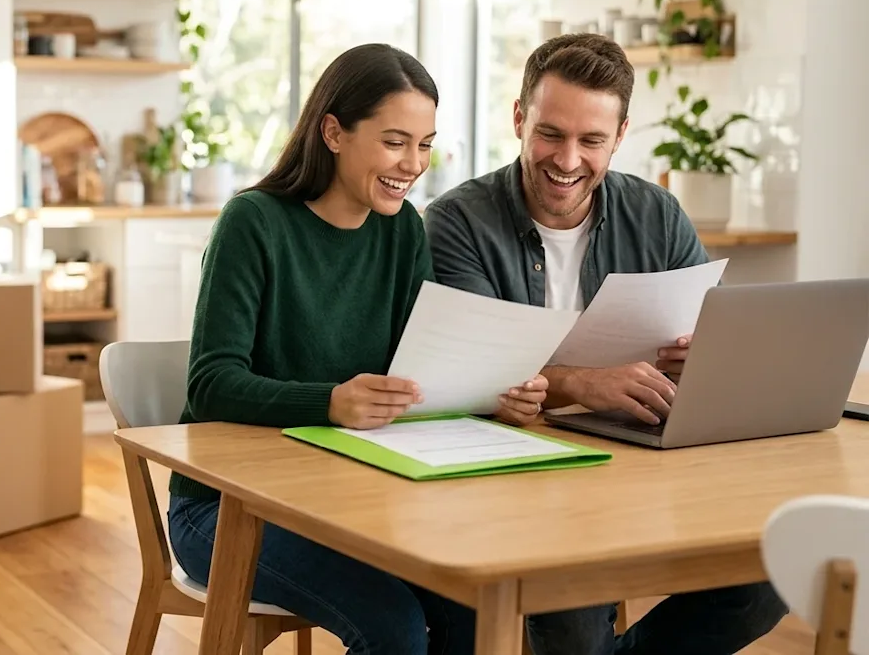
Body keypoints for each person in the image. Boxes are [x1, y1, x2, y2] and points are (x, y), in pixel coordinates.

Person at [167, 42, 548, 655]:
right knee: (392, 626)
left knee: (475, 605)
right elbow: (210, 384)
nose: (413, 164)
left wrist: (493, 395)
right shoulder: (253, 222)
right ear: (333, 133)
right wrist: (330, 402)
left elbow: (418, 373)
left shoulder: (403, 231)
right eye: (395, 142)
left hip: (353, 497)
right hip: (226, 509)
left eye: (424, 145)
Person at [423, 33, 788, 654]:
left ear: (619, 136)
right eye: (550, 133)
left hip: (640, 465)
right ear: (519, 118)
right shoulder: (456, 221)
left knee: (764, 580)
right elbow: (473, 365)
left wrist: (702, 356)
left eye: (591, 140)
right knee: (572, 621)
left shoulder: (658, 215)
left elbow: (714, 332)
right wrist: (579, 383)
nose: (567, 160)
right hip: (513, 475)